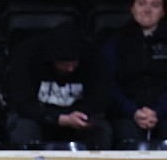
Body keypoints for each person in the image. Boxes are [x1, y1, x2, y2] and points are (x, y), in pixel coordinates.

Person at [7, 22, 112, 150]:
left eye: (74, 62)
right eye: (64, 63)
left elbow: (99, 101)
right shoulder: (27, 55)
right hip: (38, 118)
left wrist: (83, 117)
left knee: (101, 130)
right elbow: (22, 103)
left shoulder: (93, 58)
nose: (70, 68)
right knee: (24, 129)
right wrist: (59, 118)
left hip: (79, 119)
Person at [101, 0, 167, 146]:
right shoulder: (114, 42)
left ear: (163, 12)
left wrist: (158, 112)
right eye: (142, 3)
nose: (147, 10)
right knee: (128, 138)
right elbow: (108, 85)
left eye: (155, 5)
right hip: (127, 114)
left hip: (164, 112)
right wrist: (134, 112)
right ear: (132, 8)